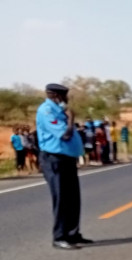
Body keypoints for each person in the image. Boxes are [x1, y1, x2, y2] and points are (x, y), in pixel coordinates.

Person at [35, 82, 89, 250]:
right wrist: (71, 119)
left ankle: (73, 234)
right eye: (64, 96)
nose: (66, 99)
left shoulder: (58, 111)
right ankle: (59, 236)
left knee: (73, 197)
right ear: (57, 96)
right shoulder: (47, 111)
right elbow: (64, 135)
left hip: (67, 159)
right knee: (61, 198)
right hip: (54, 159)